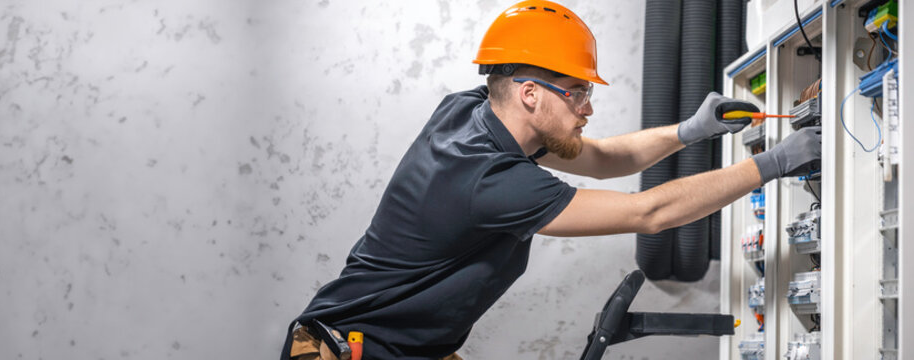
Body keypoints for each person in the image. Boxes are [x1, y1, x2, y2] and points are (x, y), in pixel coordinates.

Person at [281, 1, 821, 359]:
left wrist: (689, 131)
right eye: (577, 92)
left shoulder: (471, 109)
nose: (588, 108)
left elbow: (603, 156)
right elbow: (649, 213)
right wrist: (772, 164)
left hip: (404, 348)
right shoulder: (492, 179)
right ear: (529, 94)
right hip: (349, 350)